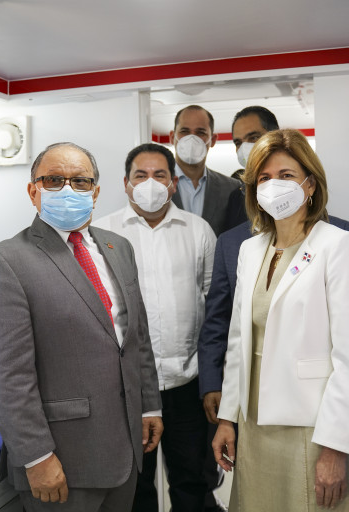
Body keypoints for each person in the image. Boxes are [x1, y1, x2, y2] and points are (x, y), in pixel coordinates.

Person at [0, 142, 163, 512]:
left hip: (125, 448)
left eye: (80, 181)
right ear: (33, 191)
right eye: (54, 180)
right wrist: (36, 457)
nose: (67, 190)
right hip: (61, 459)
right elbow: (6, 374)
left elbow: (135, 338)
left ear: (95, 192)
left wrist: (149, 406)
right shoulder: (5, 262)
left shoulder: (118, 247)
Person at [212, 129, 349, 511]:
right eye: (264, 178)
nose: (274, 185)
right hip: (254, 425)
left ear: (310, 184)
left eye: (286, 175)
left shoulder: (337, 245)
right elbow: (239, 342)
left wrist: (335, 447)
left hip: (314, 426)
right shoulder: (250, 250)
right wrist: (227, 419)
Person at [93, 143, 216, 512]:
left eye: (159, 175)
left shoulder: (198, 230)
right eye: (141, 175)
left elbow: (214, 303)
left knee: (192, 482)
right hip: (128, 388)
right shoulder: (101, 233)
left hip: (187, 383)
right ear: (126, 184)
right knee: (135, 486)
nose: (150, 183)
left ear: (173, 183)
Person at [170, 104, 245, 236]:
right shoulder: (158, 185)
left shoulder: (231, 188)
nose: (192, 139)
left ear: (213, 140)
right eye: (184, 131)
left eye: (200, 132)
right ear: (172, 137)